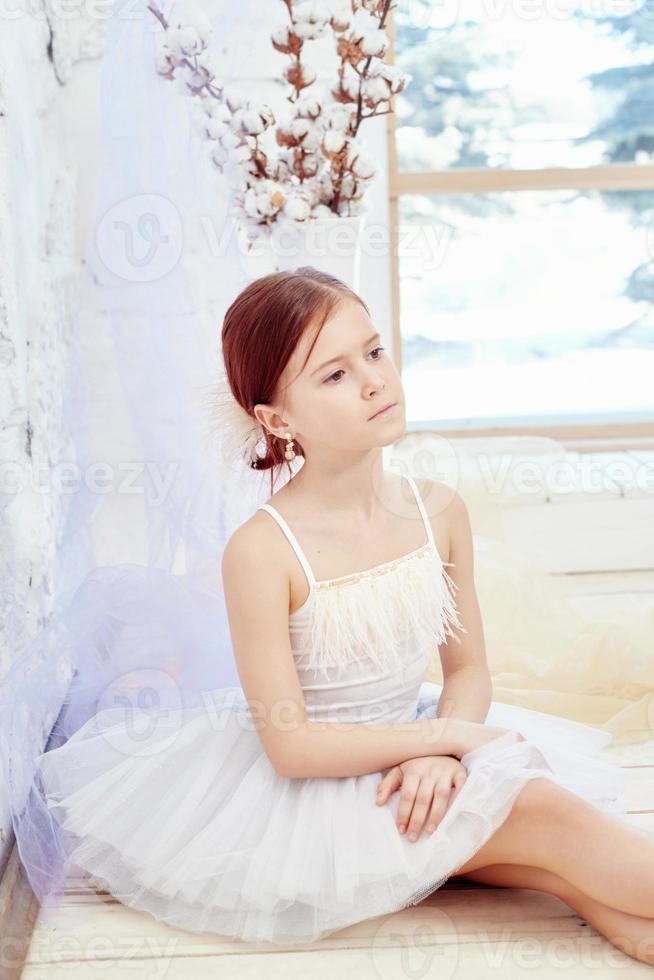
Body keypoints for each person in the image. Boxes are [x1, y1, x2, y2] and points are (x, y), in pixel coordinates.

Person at [35, 268, 654, 960]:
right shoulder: (263, 550)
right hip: (323, 791)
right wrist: (438, 745)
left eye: (375, 351)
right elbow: (291, 745)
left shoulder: (439, 510)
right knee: (543, 810)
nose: (372, 381)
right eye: (333, 375)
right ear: (277, 420)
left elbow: (470, 667)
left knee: (578, 881)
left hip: (420, 750)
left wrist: (445, 749)